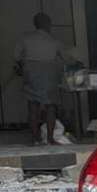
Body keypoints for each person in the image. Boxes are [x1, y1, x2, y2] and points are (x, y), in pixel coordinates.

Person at [13, 13, 76, 145]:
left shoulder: (25, 38)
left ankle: (35, 138)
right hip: (49, 74)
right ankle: (50, 139)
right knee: (50, 106)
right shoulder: (54, 41)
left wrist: (23, 67)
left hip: (31, 74)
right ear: (48, 24)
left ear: (35, 24)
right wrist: (76, 62)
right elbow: (67, 59)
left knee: (33, 106)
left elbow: (17, 57)